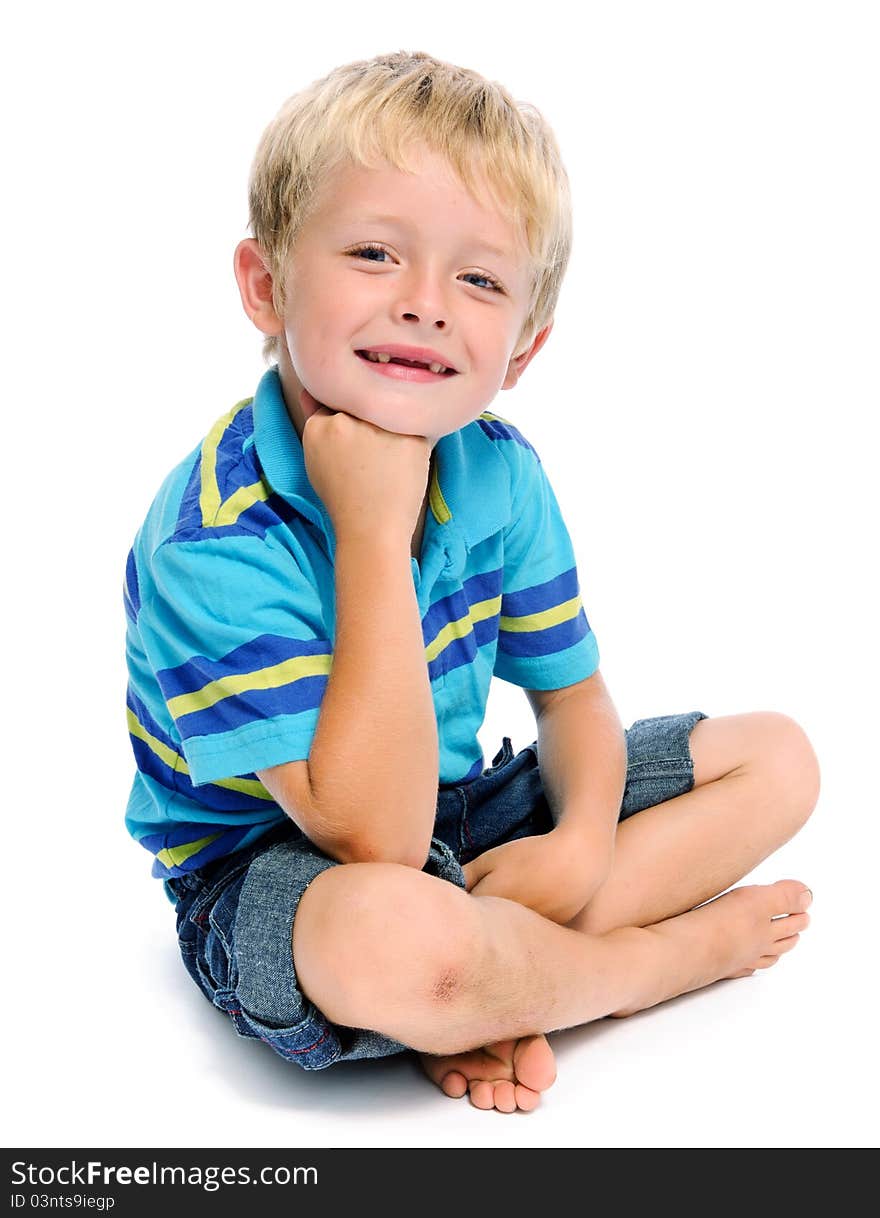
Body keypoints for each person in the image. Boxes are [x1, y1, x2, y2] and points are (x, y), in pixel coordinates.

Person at [123, 50, 820, 1113]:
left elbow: (572, 698)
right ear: (267, 286)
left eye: (479, 279)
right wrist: (369, 529)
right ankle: (639, 969)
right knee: (394, 935)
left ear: (524, 347)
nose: (424, 305)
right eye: (372, 253)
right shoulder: (214, 541)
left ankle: (493, 983)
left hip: (453, 810)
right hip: (283, 871)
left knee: (776, 760)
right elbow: (377, 843)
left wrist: (580, 848)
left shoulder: (498, 468)